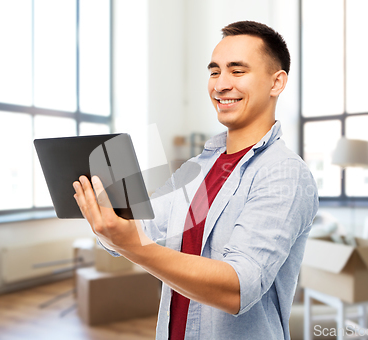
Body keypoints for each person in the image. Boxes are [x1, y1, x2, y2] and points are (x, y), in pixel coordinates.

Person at [73, 20, 318, 340]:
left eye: (237, 70)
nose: (220, 84)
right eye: (215, 71)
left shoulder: (285, 174)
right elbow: (142, 228)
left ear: (276, 83)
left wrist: (132, 244)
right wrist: (110, 215)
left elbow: (237, 289)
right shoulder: (198, 168)